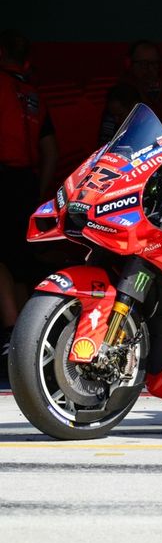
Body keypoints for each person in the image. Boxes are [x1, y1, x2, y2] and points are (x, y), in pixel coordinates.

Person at [0, 30, 57, 372]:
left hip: (4, 178)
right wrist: (38, 191)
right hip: (26, 183)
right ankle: (25, 342)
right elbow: (51, 151)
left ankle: (11, 333)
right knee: (19, 263)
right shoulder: (35, 95)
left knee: (4, 260)